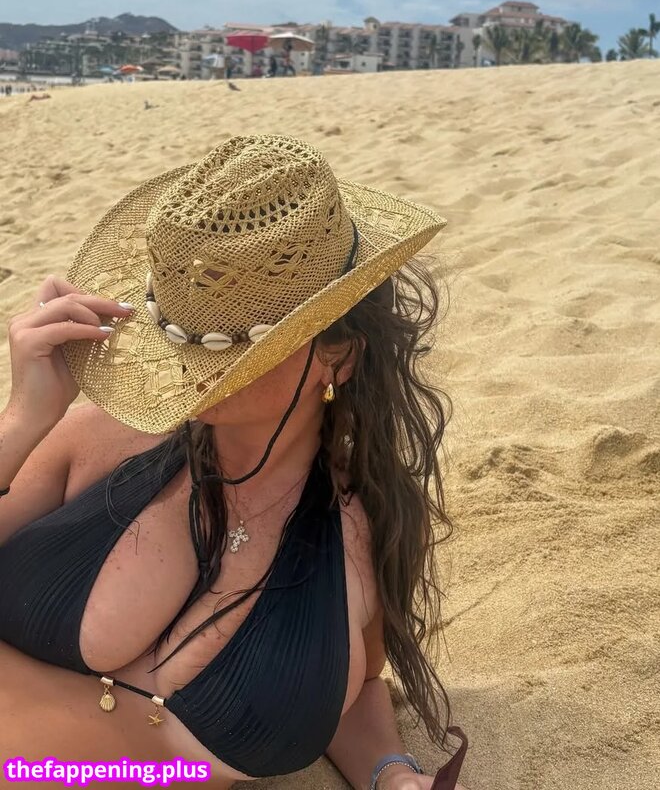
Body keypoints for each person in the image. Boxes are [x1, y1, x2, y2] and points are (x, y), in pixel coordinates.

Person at [0, 135, 469, 790]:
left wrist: (391, 772)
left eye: (237, 346)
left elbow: (355, 686)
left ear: (337, 356)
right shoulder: (101, 442)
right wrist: (23, 420)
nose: (197, 365)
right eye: (187, 333)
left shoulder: (364, 529)